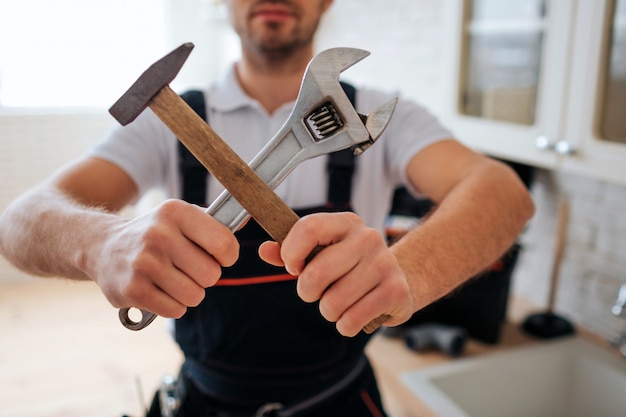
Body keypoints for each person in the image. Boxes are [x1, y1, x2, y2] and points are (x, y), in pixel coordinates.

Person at [0, 1, 534, 416]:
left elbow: (503, 193)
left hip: (342, 399)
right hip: (204, 399)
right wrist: (99, 243)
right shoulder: (170, 118)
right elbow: (17, 222)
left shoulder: (378, 113)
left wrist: (408, 270)